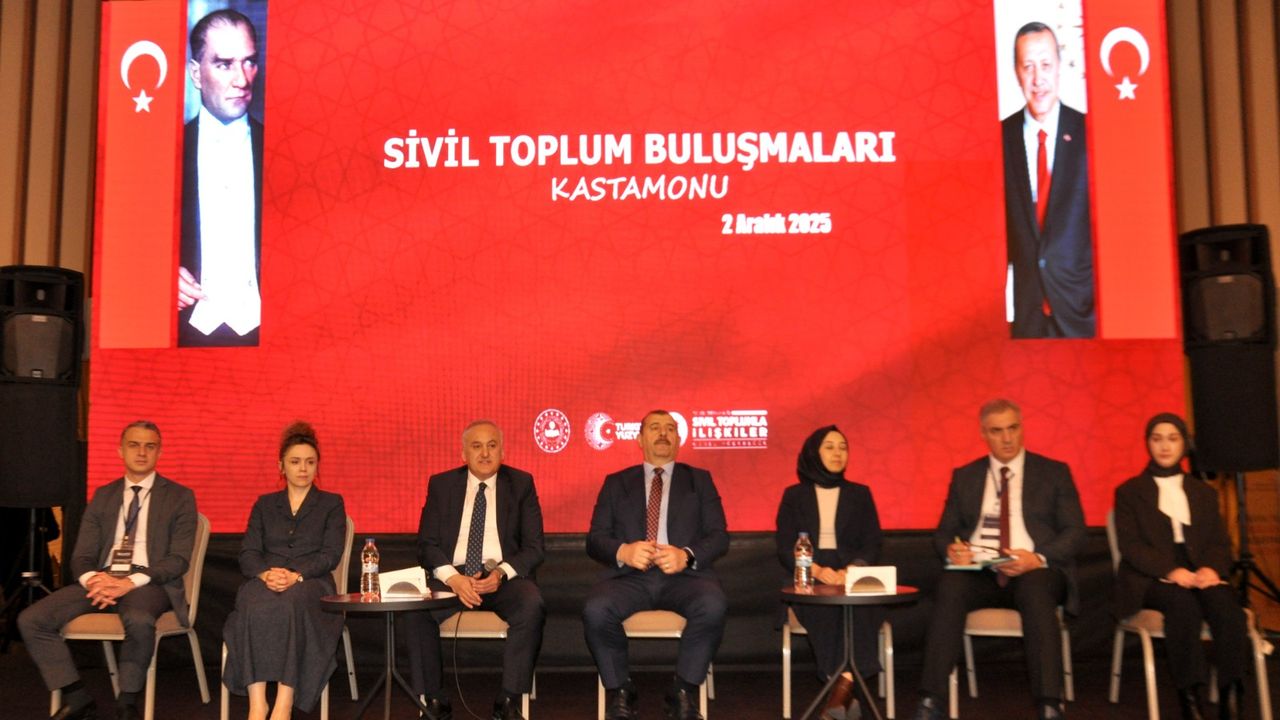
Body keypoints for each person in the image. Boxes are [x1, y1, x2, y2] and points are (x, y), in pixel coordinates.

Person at [911, 399, 1085, 720]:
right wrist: (953, 550)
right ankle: (931, 700)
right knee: (950, 585)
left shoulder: (1054, 472)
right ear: (983, 434)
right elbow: (944, 533)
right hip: (982, 571)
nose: (1007, 438)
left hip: (1036, 569)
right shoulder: (965, 476)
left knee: (1036, 591)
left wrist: (1038, 557)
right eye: (997, 431)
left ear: (1022, 428)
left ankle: (1049, 704)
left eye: (1013, 428)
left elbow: (1075, 531)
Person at [18, 422, 198, 720]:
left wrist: (129, 582)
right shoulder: (103, 495)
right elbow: (82, 556)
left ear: (160, 452)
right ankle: (76, 696)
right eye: (133, 445)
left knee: (139, 619)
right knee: (31, 619)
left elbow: (178, 560)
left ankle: (127, 701)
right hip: (102, 578)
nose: (141, 452)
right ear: (120, 451)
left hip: (148, 581)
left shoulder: (180, 497)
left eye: (150, 446)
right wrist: (95, 580)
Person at [584, 409, 729, 720]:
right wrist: (624, 551)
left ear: (678, 439)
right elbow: (595, 539)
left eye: (670, 429)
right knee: (596, 610)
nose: (663, 433)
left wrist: (686, 555)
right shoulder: (616, 483)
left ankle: (683, 691)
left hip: (684, 578)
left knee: (713, 604)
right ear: (639, 439)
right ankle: (621, 690)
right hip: (629, 578)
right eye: (654, 428)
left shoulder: (699, 480)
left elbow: (719, 536)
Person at [405, 420, 546, 720]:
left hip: (501, 577)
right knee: (417, 609)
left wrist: (500, 574)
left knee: (531, 604)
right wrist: (453, 578)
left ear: (502, 452)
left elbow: (534, 548)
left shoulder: (521, 484)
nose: (485, 453)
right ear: (463, 453)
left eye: (492, 446)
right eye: (477, 446)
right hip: (453, 576)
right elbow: (426, 545)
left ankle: (508, 699)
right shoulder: (442, 485)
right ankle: (434, 700)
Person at [1113, 413, 1249, 720]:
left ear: (1184, 445)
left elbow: (1219, 542)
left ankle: (1231, 695)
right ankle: (1190, 698)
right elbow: (1131, 547)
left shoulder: (1204, 493)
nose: (1165, 446)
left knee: (1227, 607)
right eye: (1157, 439)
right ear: (1148, 444)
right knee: (1183, 605)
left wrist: (1212, 569)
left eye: (1173, 439)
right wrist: (1170, 571)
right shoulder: (1129, 491)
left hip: (1200, 570)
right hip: (1150, 576)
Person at [222, 422, 346, 719]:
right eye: (295, 462)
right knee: (251, 601)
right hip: (267, 578)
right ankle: (257, 703)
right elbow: (248, 553)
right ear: (281, 466)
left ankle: (284, 701)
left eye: (310, 462)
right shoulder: (265, 504)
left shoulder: (331, 503)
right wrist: (265, 574)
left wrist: (296, 575)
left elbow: (330, 554)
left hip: (312, 581)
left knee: (291, 602)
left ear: (317, 466)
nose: (303, 468)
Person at [775, 425, 883, 719]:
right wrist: (816, 569)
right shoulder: (794, 495)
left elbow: (872, 543)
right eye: (830, 447)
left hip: (852, 573)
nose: (838, 453)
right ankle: (847, 695)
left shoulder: (860, 494)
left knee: (860, 608)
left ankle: (840, 691)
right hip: (807, 572)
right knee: (823, 608)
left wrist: (852, 570)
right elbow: (785, 546)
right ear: (814, 453)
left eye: (843, 447)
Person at [1002, 21, 1095, 339]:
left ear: (1059, 68)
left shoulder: (1090, 133)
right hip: (1027, 323)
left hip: (1082, 318)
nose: (1037, 78)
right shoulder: (999, 139)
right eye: (1028, 66)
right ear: (1016, 72)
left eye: (1045, 65)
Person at [178, 8, 263, 347]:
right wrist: (155, 274)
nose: (242, 80)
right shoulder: (163, 154)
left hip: (273, 338)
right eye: (224, 64)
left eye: (249, 62)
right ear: (196, 74)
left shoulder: (285, 151)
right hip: (184, 337)